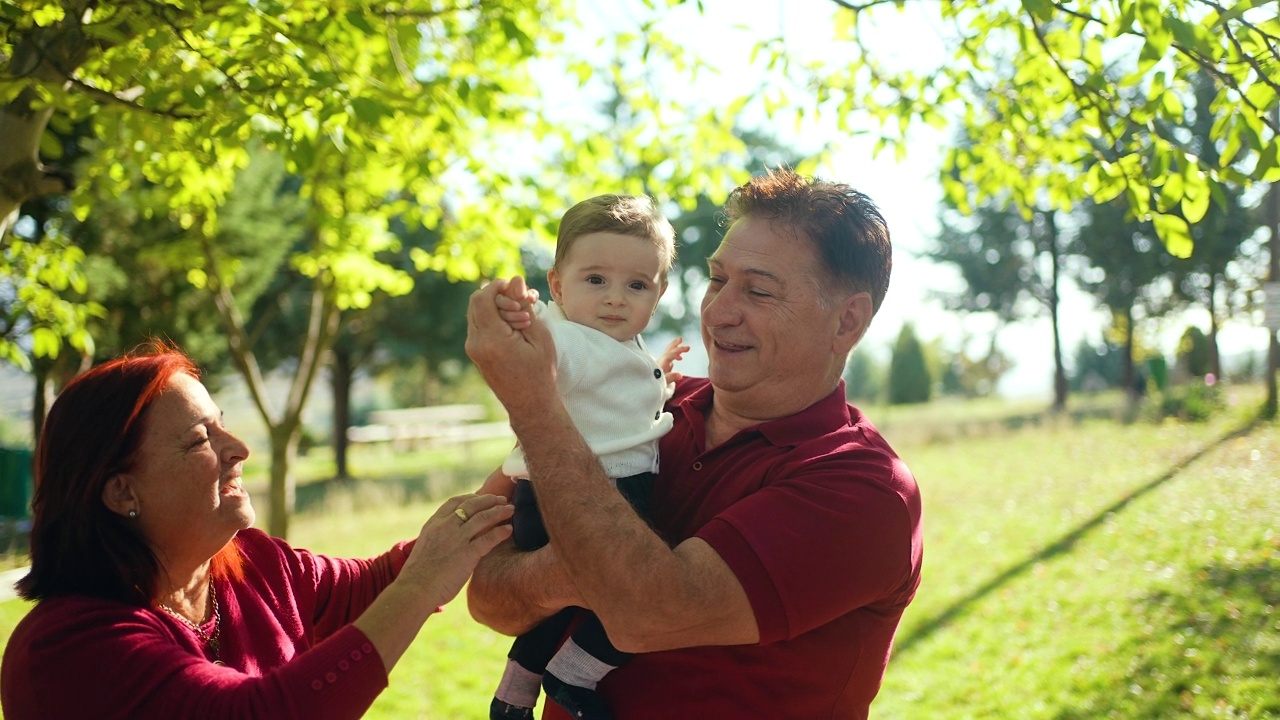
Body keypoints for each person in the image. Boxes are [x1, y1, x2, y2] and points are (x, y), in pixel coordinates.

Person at [465, 168, 923, 719]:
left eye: (758, 290)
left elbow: (645, 613)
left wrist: (536, 407)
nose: (718, 311)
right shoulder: (642, 405)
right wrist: (576, 569)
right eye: (716, 280)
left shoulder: (863, 489)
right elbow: (487, 594)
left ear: (847, 320)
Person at [1, 344, 514, 720]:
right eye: (202, 438)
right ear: (121, 493)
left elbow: (373, 583)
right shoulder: (66, 650)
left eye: (222, 424)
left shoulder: (254, 564)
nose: (239, 448)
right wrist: (421, 585)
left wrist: (516, 478)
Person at [481, 194, 688, 720]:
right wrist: (519, 320)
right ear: (556, 285)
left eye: (636, 285)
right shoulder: (564, 337)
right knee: (646, 592)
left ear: (658, 293)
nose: (615, 298)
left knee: (555, 608)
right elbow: (544, 364)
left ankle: (513, 693)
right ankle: (573, 673)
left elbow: (612, 398)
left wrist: (658, 376)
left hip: (591, 484)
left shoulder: (622, 346)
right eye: (595, 280)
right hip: (584, 488)